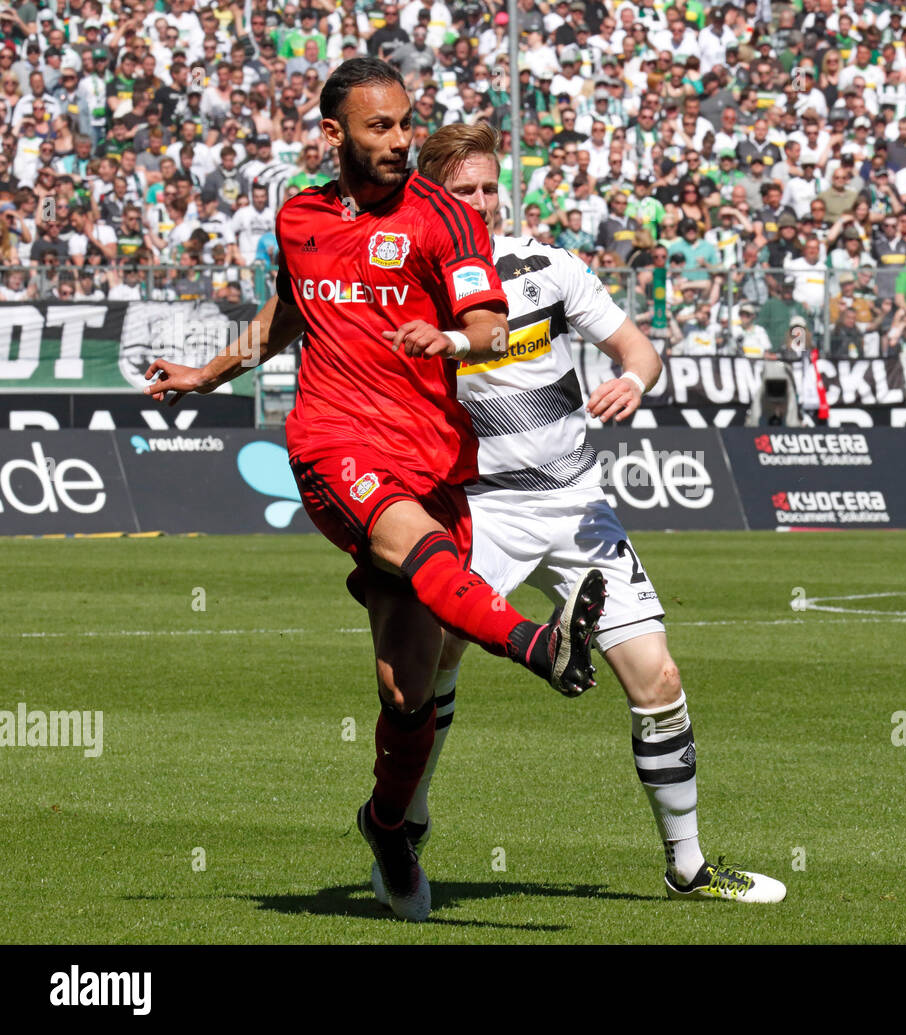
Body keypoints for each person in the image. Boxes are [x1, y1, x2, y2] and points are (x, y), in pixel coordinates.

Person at [140, 59, 606, 924]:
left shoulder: (446, 219)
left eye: (405, 126)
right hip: (333, 445)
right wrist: (209, 372)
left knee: (407, 693)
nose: (399, 143)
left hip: (432, 460)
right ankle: (536, 645)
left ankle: (386, 824)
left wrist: (453, 337)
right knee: (412, 545)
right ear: (334, 135)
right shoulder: (300, 215)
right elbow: (292, 312)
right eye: (380, 128)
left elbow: (487, 321)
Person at [411, 122, 785, 904]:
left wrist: (634, 382)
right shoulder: (417, 281)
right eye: (464, 191)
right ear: (433, 196)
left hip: (577, 505)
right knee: (428, 671)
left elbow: (640, 350)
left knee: (658, 677)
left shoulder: (549, 265)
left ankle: (686, 866)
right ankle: (405, 829)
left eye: (489, 188)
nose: (481, 203)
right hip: (477, 510)